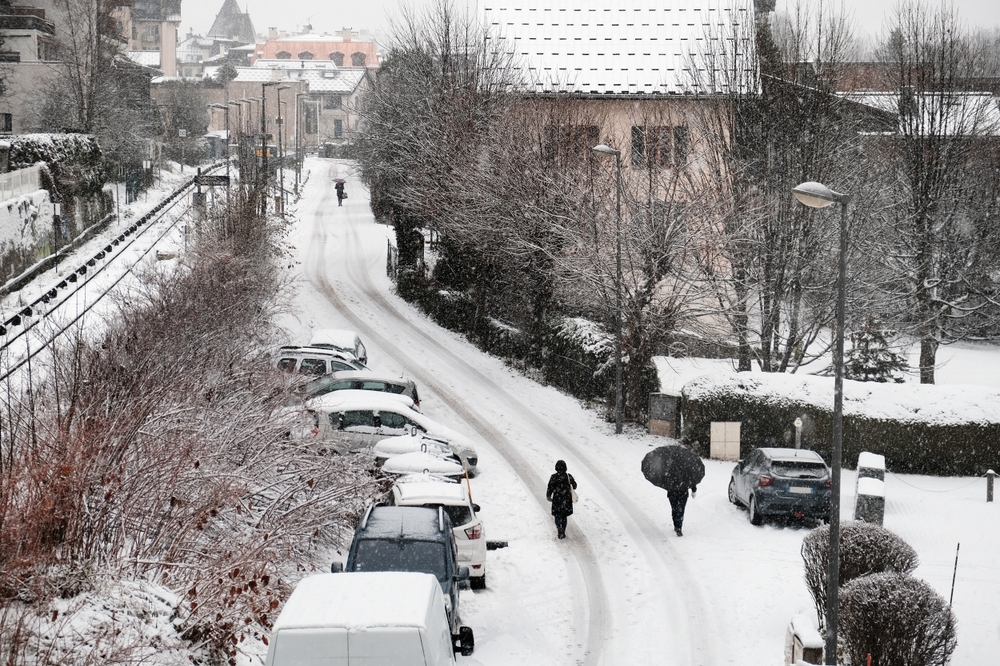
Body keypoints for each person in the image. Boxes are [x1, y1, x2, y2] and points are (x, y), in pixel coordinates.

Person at [546, 460, 577, 539]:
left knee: (557, 515)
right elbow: (575, 486)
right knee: (564, 516)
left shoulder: (553, 477)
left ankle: (558, 526)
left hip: (557, 499)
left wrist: (548, 495)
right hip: (566, 499)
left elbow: (550, 487)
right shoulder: (568, 476)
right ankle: (563, 528)